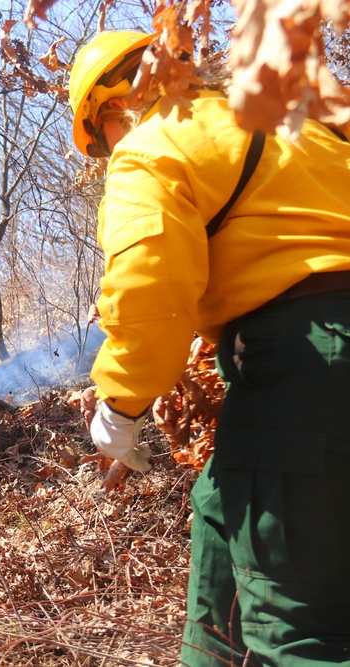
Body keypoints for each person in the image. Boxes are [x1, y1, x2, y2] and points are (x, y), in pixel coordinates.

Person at [68, 30, 350, 666]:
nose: (106, 156)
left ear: (108, 112)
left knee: (300, 634)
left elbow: (151, 292)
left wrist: (120, 405)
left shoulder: (150, 145)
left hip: (303, 364)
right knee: (220, 513)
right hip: (312, 358)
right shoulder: (292, 124)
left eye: (99, 144)